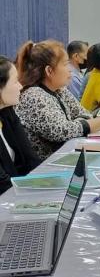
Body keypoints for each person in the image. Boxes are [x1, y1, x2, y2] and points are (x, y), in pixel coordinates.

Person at [15, 40, 100, 160]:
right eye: (65, 65)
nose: (69, 69)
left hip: (65, 155)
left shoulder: (59, 90)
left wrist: (75, 124)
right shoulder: (33, 95)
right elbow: (62, 132)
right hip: (46, 164)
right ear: (49, 71)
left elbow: (85, 115)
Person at [0, 56, 41, 194]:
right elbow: (2, 183)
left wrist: (45, 182)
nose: (20, 86)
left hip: (15, 192)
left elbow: (31, 158)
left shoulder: (7, 112)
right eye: (15, 81)